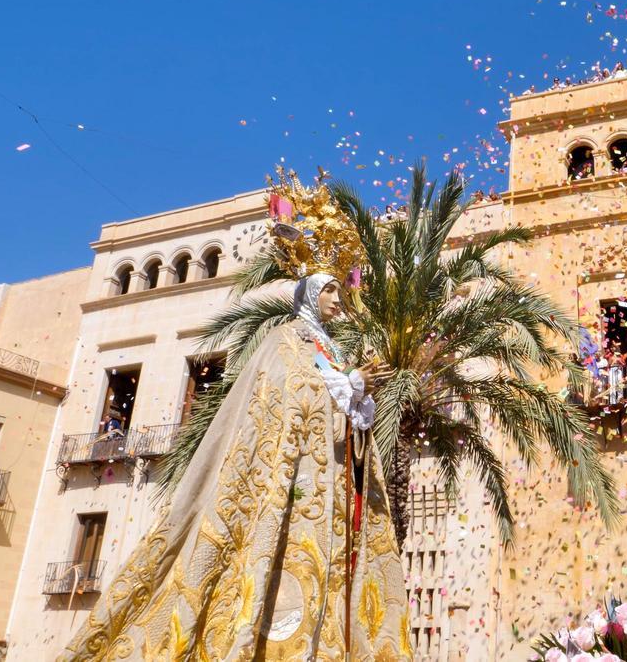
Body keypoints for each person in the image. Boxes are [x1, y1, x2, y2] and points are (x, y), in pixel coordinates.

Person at [59, 274, 408, 661]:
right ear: (309, 295)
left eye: (340, 292)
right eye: (329, 290)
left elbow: (334, 407)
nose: (338, 300)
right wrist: (349, 385)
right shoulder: (285, 339)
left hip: (327, 488)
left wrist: (357, 396)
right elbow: (289, 391)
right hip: (288, 481)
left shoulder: (333, 351)